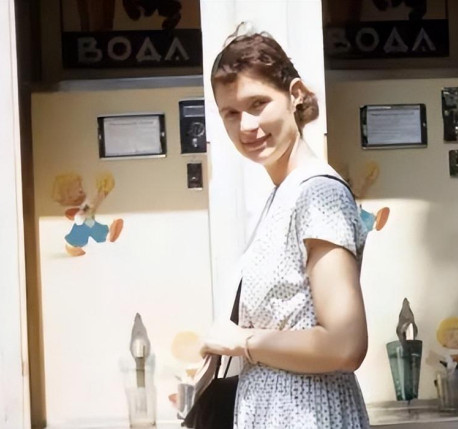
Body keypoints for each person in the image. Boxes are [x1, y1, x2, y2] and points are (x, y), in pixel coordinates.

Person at [198, 26, 371, 428]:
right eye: (230, 113)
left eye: (258, 103)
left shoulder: (317, 193)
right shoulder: (285, 194)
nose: (246, 125)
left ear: (295, 95)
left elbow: (345, 343)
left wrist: (242, 341)